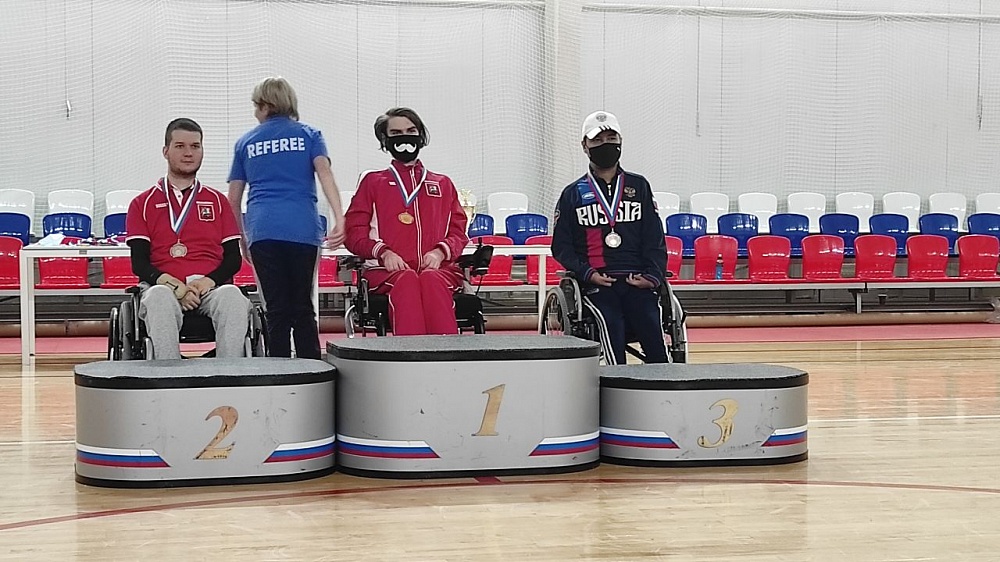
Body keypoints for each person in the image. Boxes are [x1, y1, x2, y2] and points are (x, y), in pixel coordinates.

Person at [227, 77, 346, 359]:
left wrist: (241, 237)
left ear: (264, 105)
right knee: (303, 306)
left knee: (276, 308)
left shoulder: (245, 142)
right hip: (302, 228)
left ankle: (278, 371)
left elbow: (233, 199)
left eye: (256, 106)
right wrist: (339, 217)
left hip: (263, 229)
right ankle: (312, 369)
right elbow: (325, 175)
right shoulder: (310, 135)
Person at [126, 118, 250, 360]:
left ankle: (230, 373)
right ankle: (169, 374)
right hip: (163, 287)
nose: (188, 153)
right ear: (166, 151)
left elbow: (233, 260)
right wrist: (177, 288)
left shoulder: (218, 201)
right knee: (158, 297)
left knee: (233, 297)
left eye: (195, 146)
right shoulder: (142, 203)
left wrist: (205, 283)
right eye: (180, 146)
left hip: (211, 290)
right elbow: (139, 264)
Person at [550, 110, 668, 364]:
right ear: (585, 146)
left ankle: (663, 379)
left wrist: (653, 276)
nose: (605, 144)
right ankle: (618, 378)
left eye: (611, 138)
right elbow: (561, 246)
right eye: (597, 140)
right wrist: (587, 273)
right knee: (610, 321)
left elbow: (655, 238)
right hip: (597, 283)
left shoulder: (639, 186)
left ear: (621, 141)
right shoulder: (573, 193)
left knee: (650, 321)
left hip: (637, 279)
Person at [344, 107, 470, 335]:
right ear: (385, 140)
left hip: (438, 270)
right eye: (396, 133)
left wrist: (439, 252)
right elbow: (353, 234)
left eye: (411, 131)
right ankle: (410, 353)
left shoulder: (442, 184)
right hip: (384, 271)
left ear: (421, 135)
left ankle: (447, 352)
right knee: (407, 280)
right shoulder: (373, 182)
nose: (404, 137)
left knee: (431, 279)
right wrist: (383, 252)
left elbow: (459, 233)